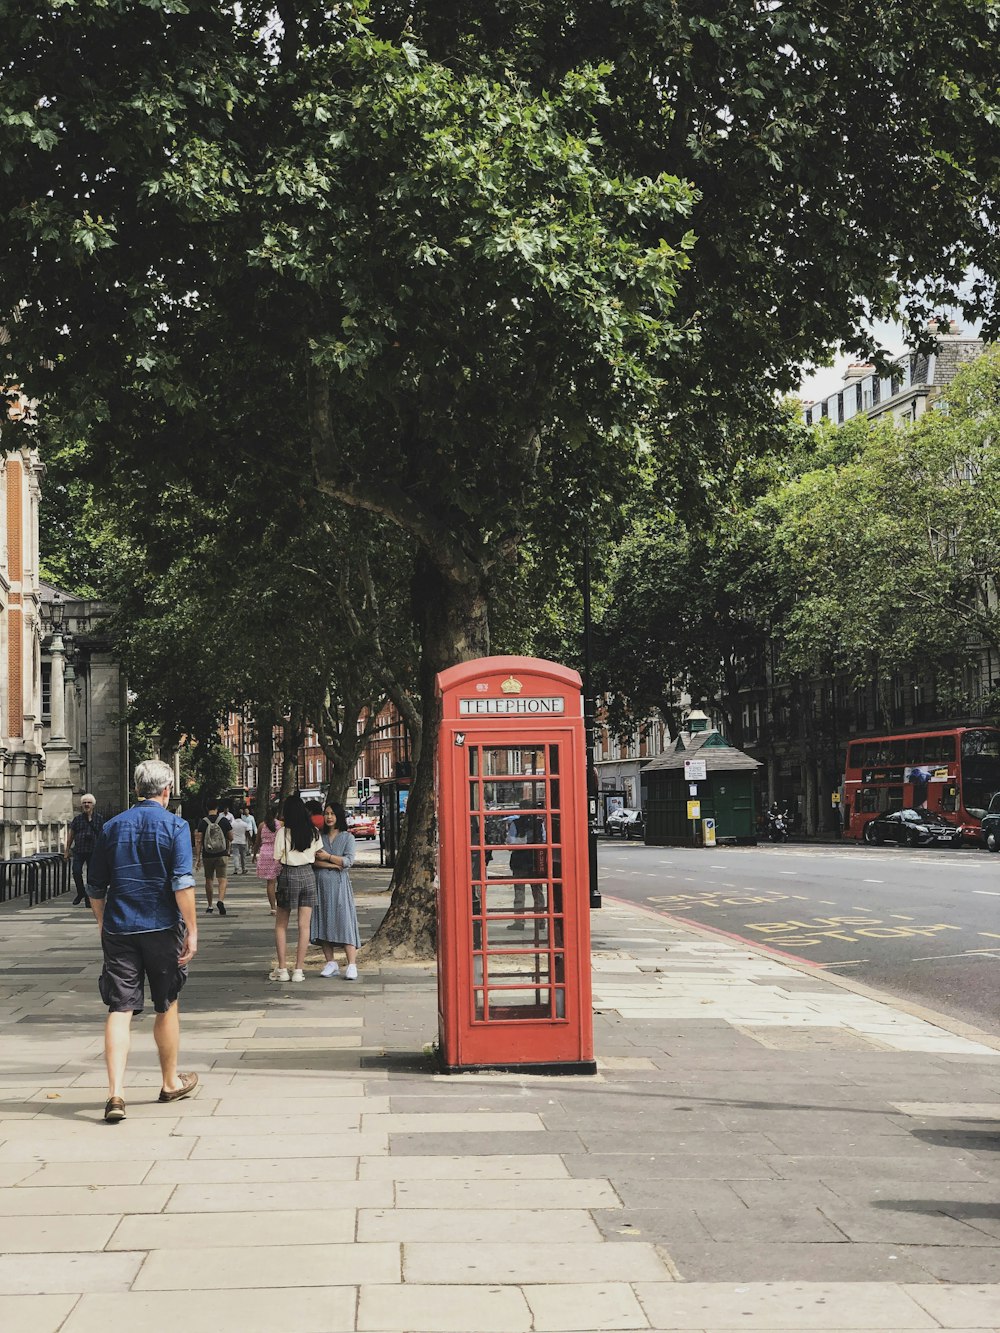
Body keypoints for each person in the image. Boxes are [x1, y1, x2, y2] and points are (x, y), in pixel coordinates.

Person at [86, 758, 198, 1123]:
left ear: (137, 789)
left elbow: (95, 885)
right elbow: (182, 883)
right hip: (162, 927)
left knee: (120, 1008)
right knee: (167, 1003)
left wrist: (103, 922)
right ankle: (169, 1082)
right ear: (166, 790)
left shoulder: (112, 826)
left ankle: (116, 1094)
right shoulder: (175, 826)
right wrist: (192, 929)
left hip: (120, 927)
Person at [270, 793, 320, 982]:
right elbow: (317, 852)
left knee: (281, 925)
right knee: (304, 925)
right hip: (308, 875)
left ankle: (282, 969)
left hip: (289, 874)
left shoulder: (283, 833)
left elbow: (276, 858)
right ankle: (299, 970)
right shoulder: (313, 831)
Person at [312, 801, 360, 979]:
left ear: (339, 816)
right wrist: (332, 864)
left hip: (340, 887)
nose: (329, 817)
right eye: (326, 813)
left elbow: (348, 862)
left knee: (344, 920)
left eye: (332, 813)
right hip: (321, 885)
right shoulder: (319, 837)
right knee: (323, 920)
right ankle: (330, 962)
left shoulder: (347, 837)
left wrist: (328, 857)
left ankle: (352, 964)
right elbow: (313, 861)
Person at [65, 792, 104, 905]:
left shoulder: (99, 818)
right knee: (76, 872)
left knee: (91, 876)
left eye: (89, 803)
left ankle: (88, 898)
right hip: (79, 850)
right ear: (82, 805)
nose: (86, 805)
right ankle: (81, 892)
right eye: (84, 803)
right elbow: (71, 835)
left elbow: (103, 835)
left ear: (93, 805)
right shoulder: (77, 819)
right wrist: (67, 850)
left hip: (94, 851)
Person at [194, 800, 232, 915]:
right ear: (217, 808)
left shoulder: (203, 822)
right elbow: (231, 837)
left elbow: (199, 841)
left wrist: (198, 859)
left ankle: (210, 905)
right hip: (222, 854)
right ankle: (220, 900)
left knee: (209, 879)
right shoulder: (224, 821)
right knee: (222, 879)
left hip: (207, 855)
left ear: (206, 808)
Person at [254, 803, 281, 913]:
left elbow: (257, 842)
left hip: (265, 852)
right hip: (277, 852)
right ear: (277, 813)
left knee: (270, 882)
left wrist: (254, 853)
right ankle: (281, 905)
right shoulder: (280, 825)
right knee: (280, 881)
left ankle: (272, 907)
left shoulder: (261, 825)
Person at [228, 807, 250, 876]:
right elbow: (247, 833)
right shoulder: (244, 824)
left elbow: (230, 832)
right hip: (242, 841)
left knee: (235, 856)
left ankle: (236, 869)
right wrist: (248, 840)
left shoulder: (232, 824)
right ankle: (244, 868)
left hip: (234, 841)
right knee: (243, 856)